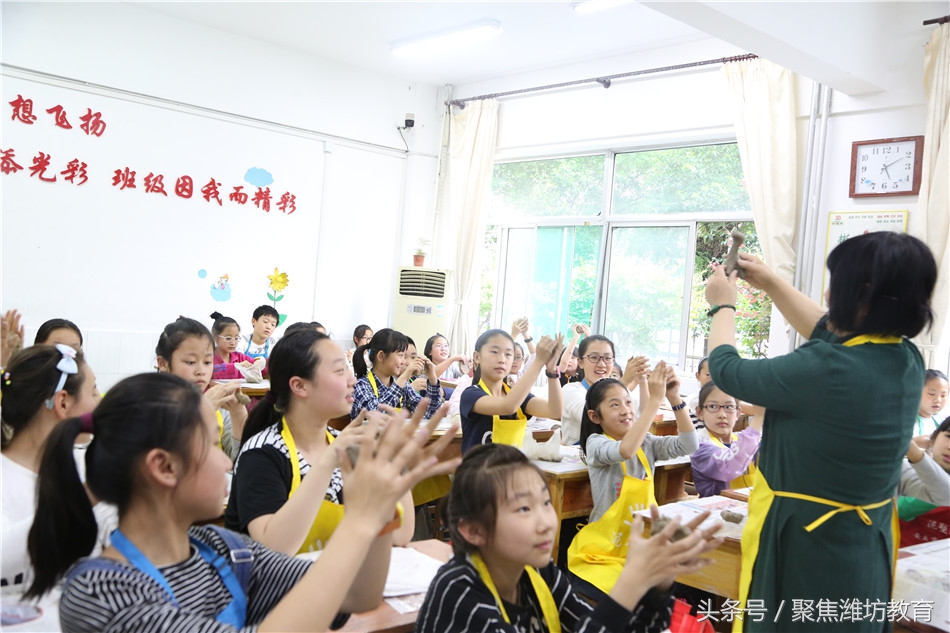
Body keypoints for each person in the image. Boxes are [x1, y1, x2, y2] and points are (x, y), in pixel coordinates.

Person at [23, 372, 459, 633]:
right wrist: (360, 520)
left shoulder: (221, 550)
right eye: (214, 446)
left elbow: (355, 593)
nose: (226, 462)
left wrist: (381, 513)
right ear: (164, 467)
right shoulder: (102, 592)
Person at [704, 232, 937, 632]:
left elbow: (728, 371)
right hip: (863, 537)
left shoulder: (826, 369)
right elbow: (829, 331)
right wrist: (772, 282)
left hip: (806, 539)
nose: (829, 294)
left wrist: (722, 305)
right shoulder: (903, 357)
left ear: (862, 295)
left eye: (836, 284)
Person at [416, 443, 722, 633]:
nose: (546, 522)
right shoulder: (458, 592)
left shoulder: (537, 572)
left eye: (545, 503)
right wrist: (630, 583)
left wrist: (658, 582)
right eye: (524, 508)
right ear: (474, 530)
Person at [227, 330, 455, 554]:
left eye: (347, 369)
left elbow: (399, 535)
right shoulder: (262, 454)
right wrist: (327, 462)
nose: (351, 380)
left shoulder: (347, 445)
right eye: (339, 371)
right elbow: (274, 548)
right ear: (299, 386)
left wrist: (398, 464)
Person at [1, 344, 102, 588]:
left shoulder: (83, 465)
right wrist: (89, 494)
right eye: (94, 391)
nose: (100, 400)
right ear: (63, 403)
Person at [156, 317, 247, 460]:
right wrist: (202, 410)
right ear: (163, 363)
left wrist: (238, 413)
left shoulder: (218, 405)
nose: (201, 371)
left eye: (207, 362)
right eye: (191, 362)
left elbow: (236, 458)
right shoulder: (148, 405)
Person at [459, 329, 563, 454]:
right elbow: (507, 406)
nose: (502, 359)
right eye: (494, 352)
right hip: (479, 472)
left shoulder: (516, 397)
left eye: (508, 354)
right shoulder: (471, 394)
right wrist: (538, 361)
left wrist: (551, 370)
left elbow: (555, 410)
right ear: (477, 357)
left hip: (511, 470)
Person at [560, 334, 648, 446]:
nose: (601, 364)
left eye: (607, 358)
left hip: (617, 456)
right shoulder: (570, 390)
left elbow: (643, 415)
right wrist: (624, 381)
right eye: (594, 357)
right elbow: (591, 419)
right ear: (581, 362)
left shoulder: (623, 392)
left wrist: (644, 382)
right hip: (581, 459)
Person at [689, 382, 762, 497]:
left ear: (738, 413)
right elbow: (729, 466)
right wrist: (759, 417)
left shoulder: (746, 441)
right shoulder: (700, 447)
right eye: (713, 407)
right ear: (700, 412)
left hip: (751, 510)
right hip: (717, 513)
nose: (722, 415)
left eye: (729, 407)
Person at [351, 328, 442, 420]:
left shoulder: (404, 386)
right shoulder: (361, 385)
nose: (404, 361)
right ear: (381, 356)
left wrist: (432, 379)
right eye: (401, 355)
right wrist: (405, 376)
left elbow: (429, 415)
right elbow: (376, 415)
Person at [897, 417, 950, 545]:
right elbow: (900, 507)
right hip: (899, 556)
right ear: (933, 438)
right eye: (949, 436)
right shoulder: (908, 470)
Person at [209, 311, 258, 380]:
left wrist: (260, 362)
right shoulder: (208, 357)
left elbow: (257, 364)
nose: (233, 342)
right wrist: (236, 366)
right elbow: (211, 371)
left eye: (236, 338)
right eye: (228, 338)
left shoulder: (240, 357)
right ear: (215, 337)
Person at [913, 369, 948, 440]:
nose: (938, 400)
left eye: (943, 395)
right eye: (931, 394)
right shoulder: (909, 422)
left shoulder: (943, 420)